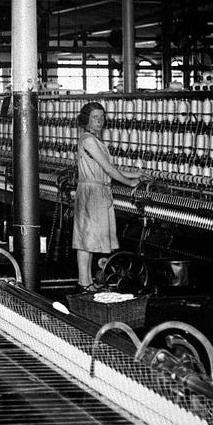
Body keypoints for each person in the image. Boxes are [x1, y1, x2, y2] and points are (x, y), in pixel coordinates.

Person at [72, 101, 143, 293]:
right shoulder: (88, 140)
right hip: (92, 192)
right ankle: (83, 282)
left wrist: (136, 175)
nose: (100, 121)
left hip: (97, 190)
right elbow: (108, 168)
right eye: (95, 117)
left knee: (89, 239)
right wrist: (129, 183)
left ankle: (86, 282)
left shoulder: (94, 140)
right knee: (86, 239)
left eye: (102, 117)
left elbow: (108, 169)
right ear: (86, 119)